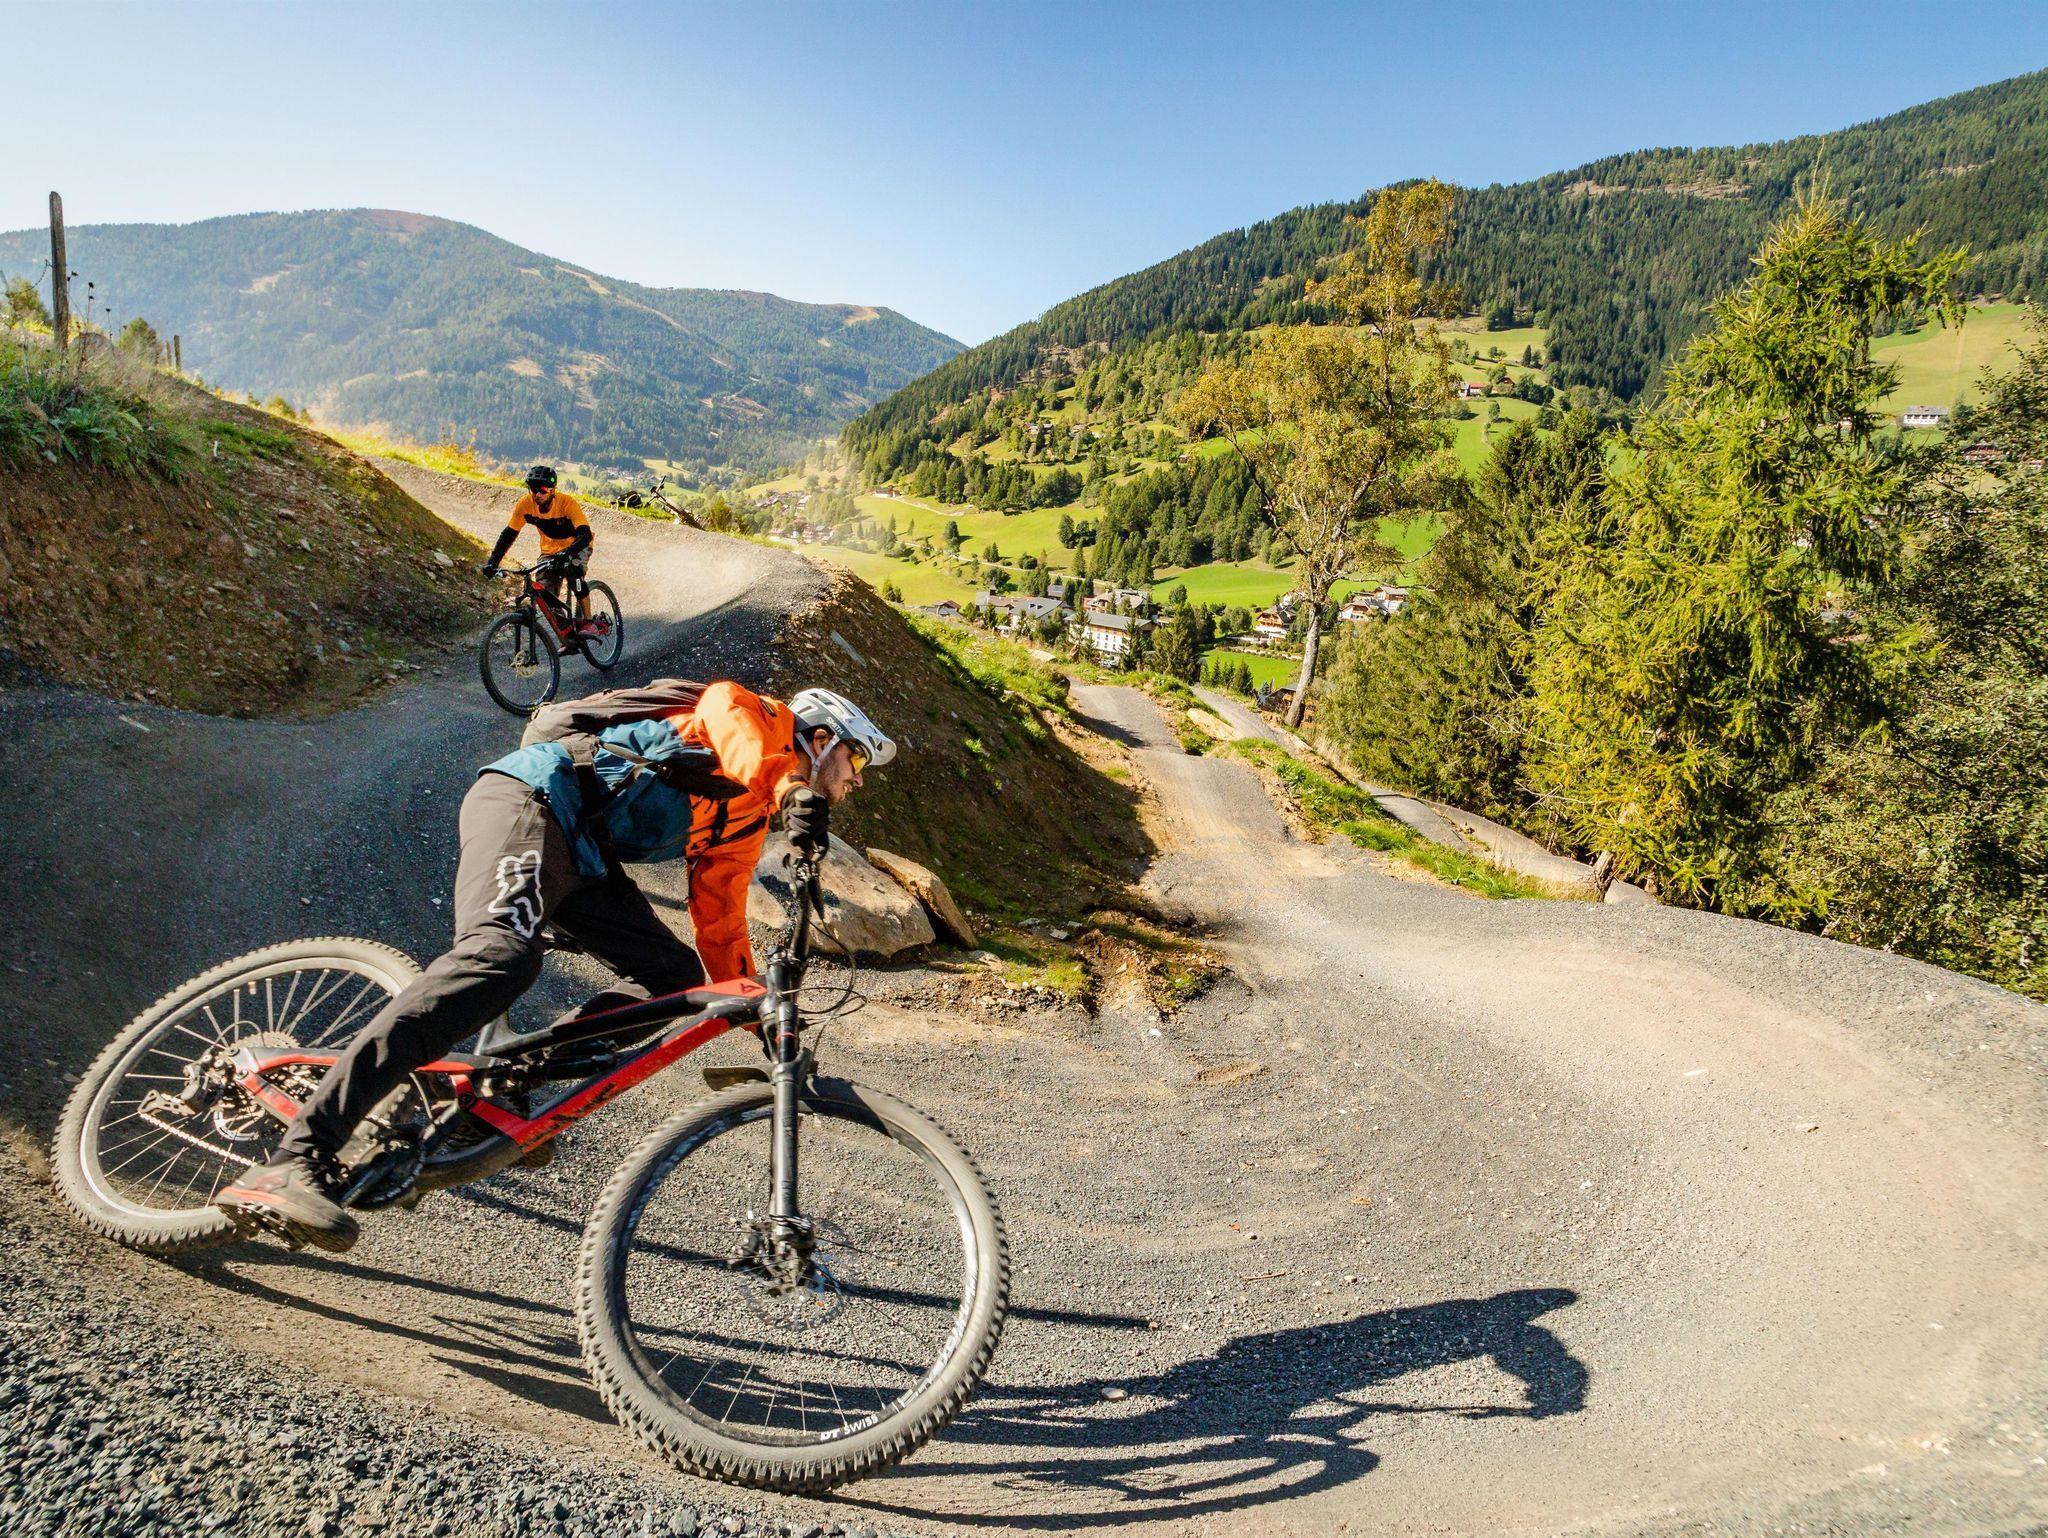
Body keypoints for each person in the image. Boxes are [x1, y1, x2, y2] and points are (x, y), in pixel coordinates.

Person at [217, 683, 894, 1250]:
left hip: (584, 858)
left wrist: (761, 1019)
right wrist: (789, 785)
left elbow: (720, 924)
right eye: (856, 759)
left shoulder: (743, 822)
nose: (857, 779)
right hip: (531, 801)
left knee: (678, 982)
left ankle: (498, 1090)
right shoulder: (759, 716)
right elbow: (727, 718)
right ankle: (295, 1159)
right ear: (820, 738)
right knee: (498, 961)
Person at [484, 465, 596, 632]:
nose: (537, 494)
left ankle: (588, 621)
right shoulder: (525, 505)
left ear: (552, 490)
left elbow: (585, 534)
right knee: (544, 590)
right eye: (533, 489)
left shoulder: (567, 503)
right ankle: (566, 630)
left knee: (573, 573)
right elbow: (508, 535)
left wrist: (568, 552)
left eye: (542, 490)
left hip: (576, 546)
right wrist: (493, 562)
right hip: (550, 551)